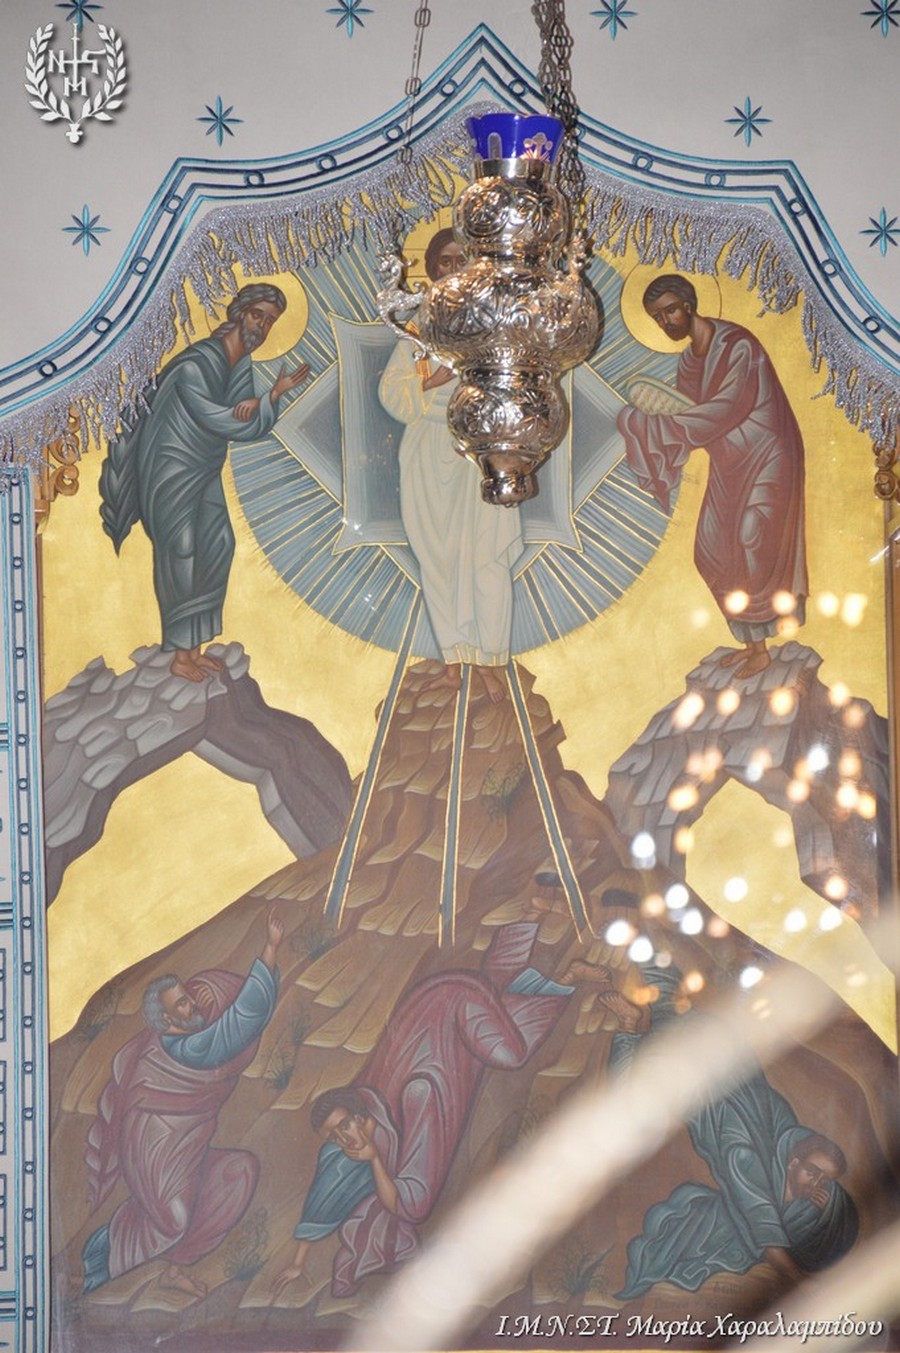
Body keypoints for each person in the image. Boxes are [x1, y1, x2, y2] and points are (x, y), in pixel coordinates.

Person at [272, 916, 606, 1298]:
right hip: (438, 1005)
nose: (344, 1139)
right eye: (334, 1135)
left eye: (344, 1125)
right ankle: (520, 929)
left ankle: (566, 976)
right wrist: (298, 1262)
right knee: (493, 1022)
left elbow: (413, 1205)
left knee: (511, 1053)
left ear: (361, 1115)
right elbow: (322, 1202)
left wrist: (376, 1161)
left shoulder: (417, 1099)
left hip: (454, 1003)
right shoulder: (362, 1121)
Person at [99, 284, 311, 682]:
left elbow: (247, 426)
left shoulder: (240, 365)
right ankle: (180, 655)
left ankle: (193, 650)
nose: (262, 326)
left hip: (203, 469)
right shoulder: (196, 364)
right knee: (181, 549)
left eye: (269, 321)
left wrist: (266, 400)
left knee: (218, 544)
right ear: (240, 312)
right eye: (257, 315)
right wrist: (268, 397)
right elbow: (217, 417)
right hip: (169, 469)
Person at [606, 972, 858, 1299]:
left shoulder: (786, 1134)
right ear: (794, 1161)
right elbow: (759, 1213)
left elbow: (772, 1198)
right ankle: (631, 1025)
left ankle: (656, 992)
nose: (816, 1185)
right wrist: (798, 1279)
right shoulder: (745, 1155)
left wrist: (805, 1197)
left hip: (712, 1040)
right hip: (689, 1063)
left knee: (666, 999)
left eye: (824, 1182)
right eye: (814, 1173)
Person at [82, 908, 284, 1300]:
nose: (192, 1006)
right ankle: (102, 1267)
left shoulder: (185, 1040)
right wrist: (271, 950)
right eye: (182, 1006)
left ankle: (173, 1268)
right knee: (171, 1220)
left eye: (188, 999)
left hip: (187, 1146)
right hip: (157, 1147)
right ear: (164, 1021)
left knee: (237, 1174)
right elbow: (241, 1022)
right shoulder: (190, 1048)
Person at [617, 274, 808, 679]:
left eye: (670, 310)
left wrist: (666, 428)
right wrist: (653, 426)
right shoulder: (688, 362)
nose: (665, 322)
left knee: (753, 536)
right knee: (711, 549)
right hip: (729, 460)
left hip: (769, 453)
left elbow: (727, 407)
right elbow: (693, 418)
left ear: (689, 305)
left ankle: (763, 649)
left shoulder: (739, 346)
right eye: (656, 317)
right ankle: (751, 643)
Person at [378, 228, 523, 703]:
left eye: (464, 259)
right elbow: (390, 393)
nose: (455, 268)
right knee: (438, 559)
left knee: (486, 557)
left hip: (477, 451)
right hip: (426, 452)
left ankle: (493, 663)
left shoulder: (496, 327)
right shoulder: (417, 332)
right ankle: (456, 661)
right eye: (446, 261)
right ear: (433, 270)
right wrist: (431, 381)